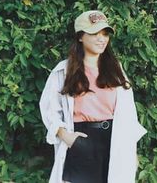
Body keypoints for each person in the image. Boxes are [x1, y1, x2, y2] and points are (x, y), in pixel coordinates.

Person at [39, 10, 147, 183]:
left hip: (114, 142)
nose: (101, 39)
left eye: (105, 34)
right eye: (94, 33)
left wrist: (131, 151)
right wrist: (66, 136)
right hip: (81, 142)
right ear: (80, 37)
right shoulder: (63, 71)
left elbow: (128, 114)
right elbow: (49, 108)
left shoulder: (116, 70)